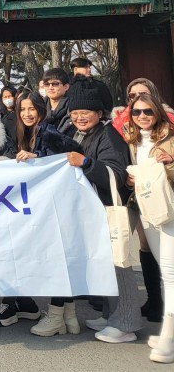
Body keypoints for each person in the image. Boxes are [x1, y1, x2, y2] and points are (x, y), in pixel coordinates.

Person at [30, 89, 137, 340]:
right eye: (75, 113)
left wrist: (86, 163)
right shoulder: (82, 133)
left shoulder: (108, 134)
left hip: (111, 208)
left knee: (120, 265)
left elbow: (116, 174)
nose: (79, 117)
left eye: (85, 113)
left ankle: (126, 324)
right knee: (105, 263)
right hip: (94, 210)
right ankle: (112, 315)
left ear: (99, 114)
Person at [123, 94, 174, 361]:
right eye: (136, 112)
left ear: (158, 113)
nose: (142, 116)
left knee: (170, 271)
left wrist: (171, 162)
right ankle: (169, 329)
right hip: (147, 209)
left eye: (147, 112)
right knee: (164, 269)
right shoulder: (134, 142)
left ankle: (170, 335)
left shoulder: (169, 138)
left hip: (169, 210)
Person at [41, 68, 72, 133]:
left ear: (66, 87)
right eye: (47, 84)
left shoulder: (73, 108)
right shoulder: (39, 106)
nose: (50, 87)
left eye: (55, 84)